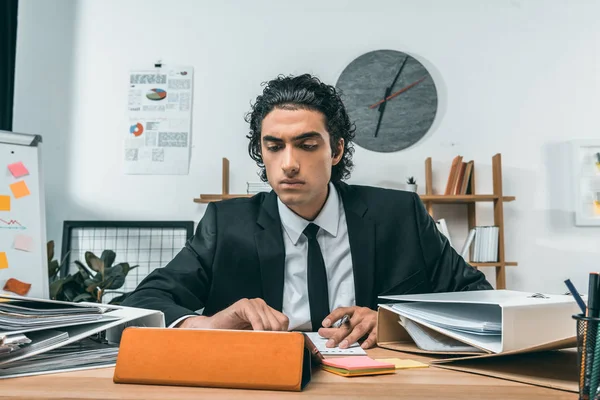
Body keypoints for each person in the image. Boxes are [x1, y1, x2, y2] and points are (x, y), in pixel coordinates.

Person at [122, 74, 492, 350]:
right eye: (274, 147)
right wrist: (207, 325)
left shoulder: (400, 215)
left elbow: (478, 300)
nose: (289, 164)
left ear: (336, 150)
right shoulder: (227, 225)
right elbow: (140, 303)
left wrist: (397, 323)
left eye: (307, 145)